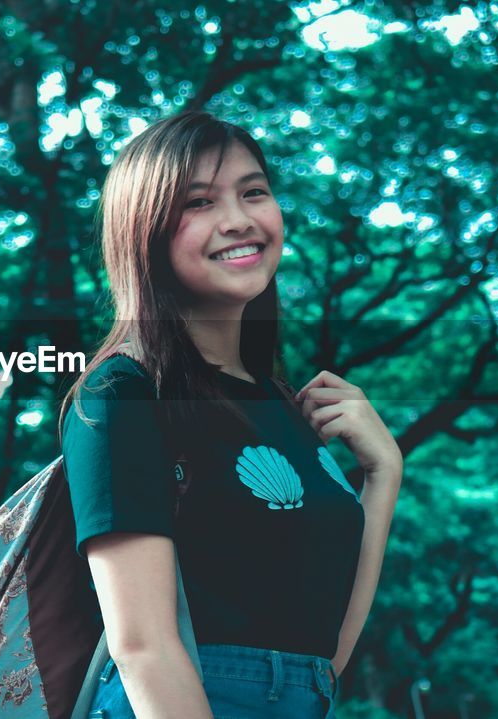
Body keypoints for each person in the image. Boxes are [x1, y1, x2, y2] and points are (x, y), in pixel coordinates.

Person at [57, 110, 403, 719]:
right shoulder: (122, 394)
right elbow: (143, 647)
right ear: (146, 233)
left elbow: (326, 654)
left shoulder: (284, 407)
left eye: (254, 192)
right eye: (198, 203)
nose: (239, 220)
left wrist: (384, 474)